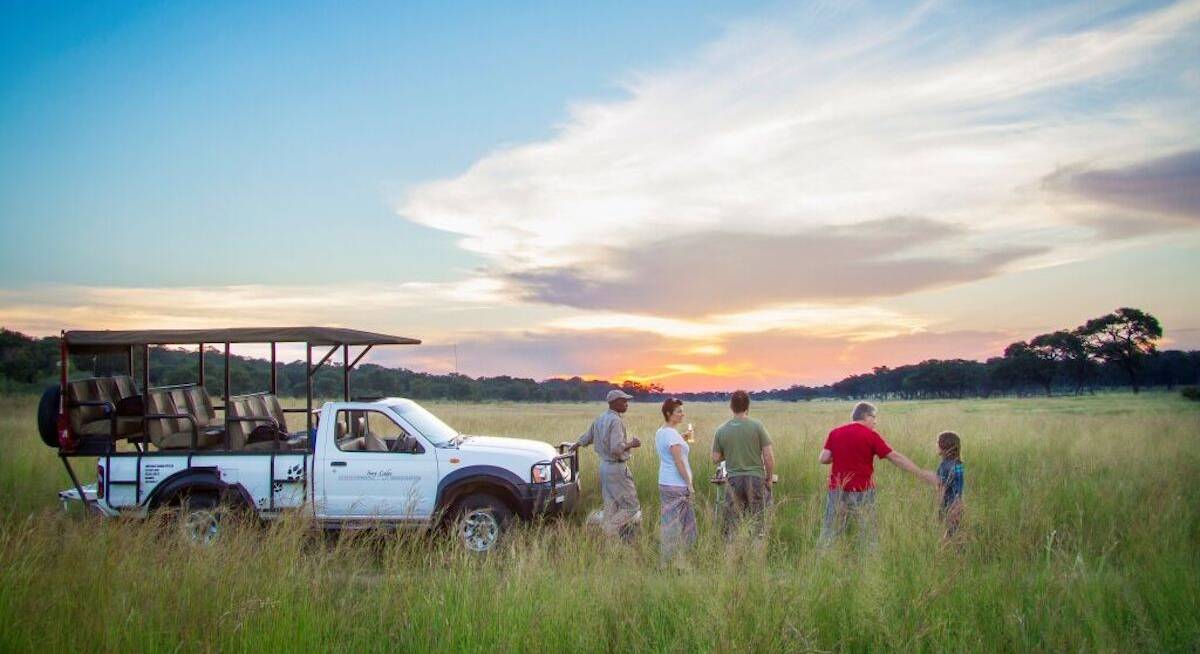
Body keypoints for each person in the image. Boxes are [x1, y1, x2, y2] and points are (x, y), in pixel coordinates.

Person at [818, 402, 938, 546]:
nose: (875, 422)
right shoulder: (870, 435)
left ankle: (825, 557)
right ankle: (869, 562)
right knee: (867, 531)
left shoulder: (835, 432)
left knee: (831, 528)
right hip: (862, 490)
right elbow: (894, 457)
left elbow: (823, 458)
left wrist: (842, 455)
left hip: (836, 489)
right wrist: (921, 473)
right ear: (865, 416)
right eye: (873, 417)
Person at [572, 389, 642, 542]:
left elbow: (586, 438)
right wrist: (632, 444)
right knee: (632, 507)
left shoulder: (601, 418)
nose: (626, 404)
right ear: (614, 403)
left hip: (604, 467)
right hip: (617, 468)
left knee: (611, 505)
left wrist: (575, 445)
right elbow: (616, 449)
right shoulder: (616, 421)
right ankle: (609, 528)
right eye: (623, 401)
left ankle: (612, 545)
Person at [712, 390, 774, 539]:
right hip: (755, 478)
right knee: (758, 522)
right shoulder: (757, 426)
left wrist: (731, 451)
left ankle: (732, 555)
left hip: (733, 479)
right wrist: (769, 478)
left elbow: (715, 458)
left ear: (731, 407)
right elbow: (768, 456)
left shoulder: (721, 429)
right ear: (748, 406)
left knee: (732, 524)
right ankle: (756, 556)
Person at [656, 398, 696, 563]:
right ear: (668, 414)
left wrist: (682, 438)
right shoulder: (671, 435)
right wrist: (689, 484)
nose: (682, 414)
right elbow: (678, 461)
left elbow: (670, 445)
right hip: (677, 484)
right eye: (678, 411)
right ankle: (680, 561)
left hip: (665, 482)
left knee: (669, 521)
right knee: (684, 525)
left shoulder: (662, 432)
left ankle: (667, 560)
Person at [936, 431, 965, 539]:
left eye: (938, 443)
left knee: (946, 536)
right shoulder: (959, 464)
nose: (936, 446)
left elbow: (942, 488)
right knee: (954, 533)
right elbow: (959, 486)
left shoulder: (944, 466)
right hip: (958, 504)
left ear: (944, 447)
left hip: (948, 505)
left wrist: (939, 508)